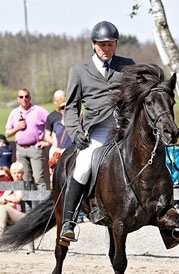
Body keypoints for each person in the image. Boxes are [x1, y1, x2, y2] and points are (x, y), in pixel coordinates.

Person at [59, 21, 135, 243]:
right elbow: (71, 107)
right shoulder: (79, 71)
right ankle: (69, 222)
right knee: (82, 167)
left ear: (115, 45)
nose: (106, 49)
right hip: (98, 130)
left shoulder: (127, 66)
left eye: (110, 45)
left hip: (125, 128)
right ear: (93, 45)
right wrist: (75, 131)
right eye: (101, 45)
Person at [4, 88, 50, 190]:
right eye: (21, 97)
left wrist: (46, 141)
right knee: (25, 180)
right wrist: (18, 128)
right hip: (20, 150)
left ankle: (43, 205)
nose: (24, 99)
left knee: (39, 180)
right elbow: (7, 133)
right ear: (18, 99)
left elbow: (52, 121)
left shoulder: (38, 110)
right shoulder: (14, 113)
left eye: (26, 96)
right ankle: (29, 206)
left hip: (35, 148)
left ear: (30, 97)